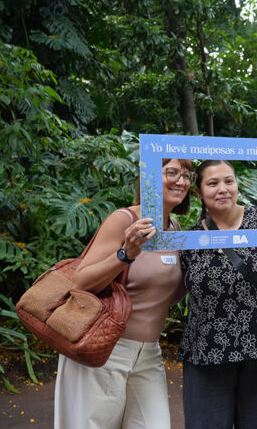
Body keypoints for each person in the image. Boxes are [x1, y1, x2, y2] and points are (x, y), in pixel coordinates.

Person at [54, 158, 193, 429]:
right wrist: (126, 253)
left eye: (187, 175)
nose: (181, 180)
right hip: (105, 347)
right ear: (151, 177)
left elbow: (166, 296)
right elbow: (80, 282)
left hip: (148, 353)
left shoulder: (175, 229)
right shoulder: (125, 219)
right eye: (172, 172)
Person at [178, 160, 257, 428]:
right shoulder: (189, 240)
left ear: (237, 185)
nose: (222, 189)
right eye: (212, 183)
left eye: (229, 181)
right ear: (199, 193)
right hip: (205, 354)